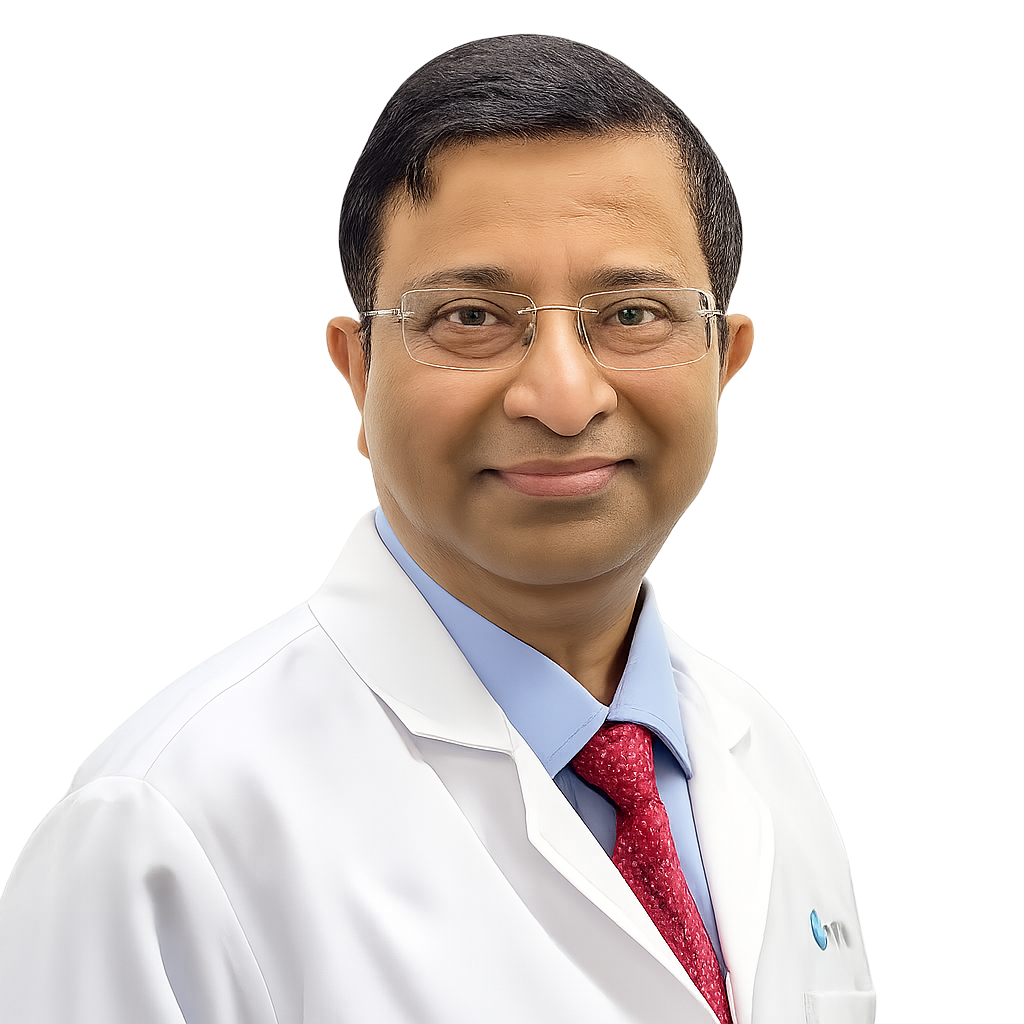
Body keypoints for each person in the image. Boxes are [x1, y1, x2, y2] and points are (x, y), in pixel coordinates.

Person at [0, 35, 875, 1024]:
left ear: (725, 365)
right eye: (469, 316)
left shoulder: (772, 771)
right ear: (357, 374)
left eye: (633, 313)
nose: (562, 397)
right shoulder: (166, 829)